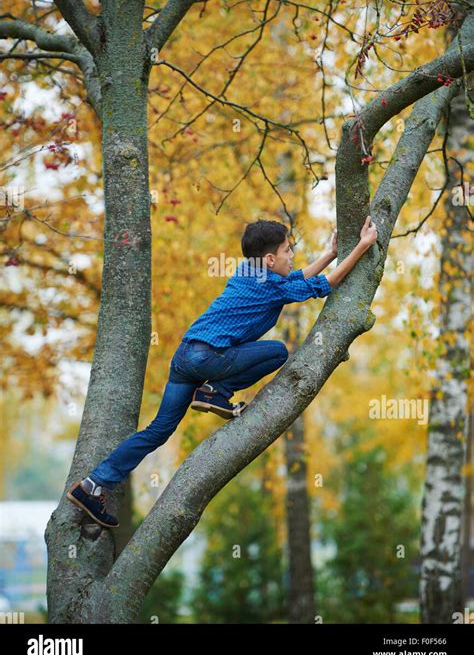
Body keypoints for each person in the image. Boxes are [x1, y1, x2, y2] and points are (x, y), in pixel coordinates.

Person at [67, 216, 377, 527]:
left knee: (157, 431)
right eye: (287, 250)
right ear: (270, 259)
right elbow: (326, 284)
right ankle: (217, 392)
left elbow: (296, 279)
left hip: (185, 357)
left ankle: (94, 484)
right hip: (209, 359)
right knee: (278, 351)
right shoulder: (270, 286)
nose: (291, 255)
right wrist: (363, 246)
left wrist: (330, 253)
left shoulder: (250, 272)